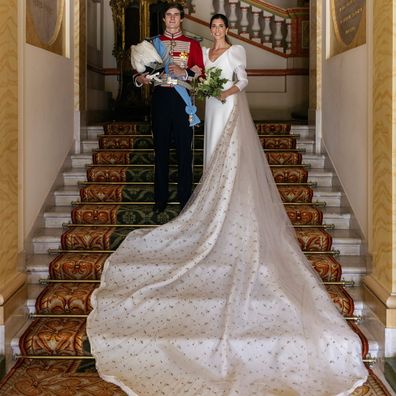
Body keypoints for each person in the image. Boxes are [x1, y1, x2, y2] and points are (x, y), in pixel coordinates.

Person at [87, 13, 368, 396]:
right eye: (213, 26)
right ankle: (178, 201)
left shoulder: (212, 48)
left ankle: (198, 204)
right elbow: (195, 76)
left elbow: (223, 78)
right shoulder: (184, 45)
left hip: (222, 105)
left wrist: (217, 89)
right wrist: (150, 77)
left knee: (198, 158)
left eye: (219, 26)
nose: (215, 30)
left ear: (222, 28)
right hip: (191, 105)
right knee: (184, 155)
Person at [134, 2, 204, 213]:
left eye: (176, 15)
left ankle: (185, 200)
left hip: (183, 101)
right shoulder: (152, 44)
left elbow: (201, 73)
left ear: (181, 18)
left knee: (185, 152)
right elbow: (139, 73)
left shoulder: (193, 44)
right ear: (164, 18)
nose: (172, 18)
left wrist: (184, 73)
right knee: (161, 150)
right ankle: (160, 201)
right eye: (168, 15)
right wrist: (141, 79)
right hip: (161, 98)